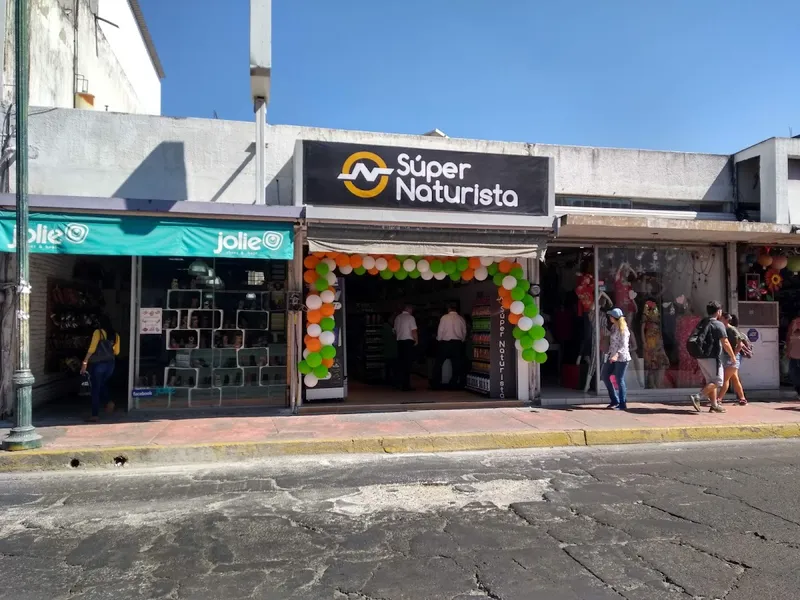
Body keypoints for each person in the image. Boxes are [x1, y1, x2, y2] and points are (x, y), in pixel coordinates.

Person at [690, 301, 737, 414]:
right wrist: (733, 357)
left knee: (711, 381)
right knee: (718, 381)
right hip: (712, 356)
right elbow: (725, 342)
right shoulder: (718, 324)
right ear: (719, 311)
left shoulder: (703, 321)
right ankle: (698, 396)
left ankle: (714, 405)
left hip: (701, 355)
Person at [80, 314, 121, 421]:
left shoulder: (98, 332)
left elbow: (92, 348)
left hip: (98, 364)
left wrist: (85, 361)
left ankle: (95, 415)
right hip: (110, 364)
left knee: (96, 388)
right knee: (102, 384)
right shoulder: (116, 335)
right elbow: (117, 352)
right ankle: (108, 401)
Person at [432, 303, 467, 390]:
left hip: (445, 343)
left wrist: (439, 339)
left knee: (439, 363)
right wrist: (462, 340)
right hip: (457, 344)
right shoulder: (461, 318)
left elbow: (440, 330)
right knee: (456, 364)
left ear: (448, 309)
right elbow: (464, 332)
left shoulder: (444, 317)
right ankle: (454, 383)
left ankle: (435, 383)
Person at [601, 308, 631, 410]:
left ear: (615, 317)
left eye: (611, 316)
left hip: (622, 358)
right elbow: (612, 341)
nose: (610, 318)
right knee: (605, 375)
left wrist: (617, 355)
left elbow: (624, 345)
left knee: (619, 379)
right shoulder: (614, 327)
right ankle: (614, 400)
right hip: (612, 355)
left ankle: (622, 403)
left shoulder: (624, 329)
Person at [719, 313, 748, 406]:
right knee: (735, 379)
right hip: (730, 356)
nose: (719, 320)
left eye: (721, 318)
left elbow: (740, 345)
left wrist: (733, 356)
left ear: (726, 320)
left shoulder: (732, 330)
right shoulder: (726, 329)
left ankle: (718, 399)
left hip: (733, 357)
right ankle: (742, 398)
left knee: (726, 379)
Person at [393, 304, 418, 391]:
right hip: (408, 342)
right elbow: (414, 330)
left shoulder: (397, 318)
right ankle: (406, 385)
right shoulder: (411, 318)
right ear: (409, 309)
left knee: (400, 363)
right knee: (408, 364)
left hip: (400, 342)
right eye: (412, 309)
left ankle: (398, 383)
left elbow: (395, 331)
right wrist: (416, 340)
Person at [786, 317, 800, 399]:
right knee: (794, 375)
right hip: (793, 354)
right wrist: (788, 351)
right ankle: (798, 391)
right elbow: (788, 338)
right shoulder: (793, 323)